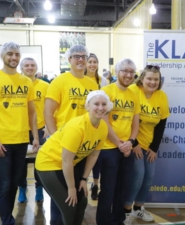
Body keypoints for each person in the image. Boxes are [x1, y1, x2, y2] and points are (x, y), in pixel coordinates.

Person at [0, 42, 40, 225]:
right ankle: (7, 221)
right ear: (2, 56)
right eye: (10, 54)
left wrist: (35, 136)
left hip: (21, 141)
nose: (14, 57)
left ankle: (9, 217)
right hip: (2, 141)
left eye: (17, 54)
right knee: (4, 185)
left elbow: (32, 112)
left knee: (15, 182)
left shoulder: (26, 81)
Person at [36, 90, 112, 225]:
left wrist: (83, 179)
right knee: (69, 206)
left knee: (81, 203)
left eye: (104, 104)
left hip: (68, 164)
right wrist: (71, 188)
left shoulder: (103, 127)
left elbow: (94, 154)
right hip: (48, 163)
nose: (100, 108)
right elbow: (67, 161)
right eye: (96, 104)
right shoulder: (77, 127)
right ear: (87, 106)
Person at [44, 44, 98, 224]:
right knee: (61, 192)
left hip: (83, 145)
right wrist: (54, 137)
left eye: (84, 56)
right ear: (69, 60)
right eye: (76, 56)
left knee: (78, 188)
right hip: (64, 144)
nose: (81, 59)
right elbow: (48, 113)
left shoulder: (92, 84)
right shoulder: (59, 81)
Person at [96, 58, 140, 225]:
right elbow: (104, 122)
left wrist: (130, 142)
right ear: (117, 72)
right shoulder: (106, 91)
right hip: (108, 149)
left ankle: (118, 221)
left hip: (127, 149)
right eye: (125, 71)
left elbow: (135, 123)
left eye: (132, 72)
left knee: (123, 190)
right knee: (108, 190)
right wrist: (120, 144)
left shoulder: (134, 95)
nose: (129, 75)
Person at [124, 65, 170, 222]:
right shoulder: (133, 91)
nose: (152, 82)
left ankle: (138, 208)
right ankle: (126, 210)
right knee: (138, 176)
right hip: (133, 143)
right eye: (149, 78)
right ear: (142, 78)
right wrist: (133, 142)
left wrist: (154, 148)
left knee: (149, 177)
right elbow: (127, 119)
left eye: (156, 79)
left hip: (149, 145)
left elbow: (161, 124)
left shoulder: (161, 96)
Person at [17, 57, 50, 203]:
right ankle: (22, 188)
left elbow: (50, 108)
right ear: (21, 68)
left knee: (40, 162)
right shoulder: (17, 84)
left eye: (32, 65)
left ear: (36, 68)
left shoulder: (45, 85)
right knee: (21, 163)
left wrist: (49, 126)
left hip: (41, 129)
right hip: (21, 130)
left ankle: (39, 188)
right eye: (26, 65)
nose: (29, 68)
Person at [84, 53, 109, 200]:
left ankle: (95, 184)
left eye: (95, 62)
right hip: (83, 123)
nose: (92, 64)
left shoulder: (103, 81)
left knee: (96, 157)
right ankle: (83, 183)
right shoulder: (82, 80)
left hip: (97, 123)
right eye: (90, 62)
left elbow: (105, 103)